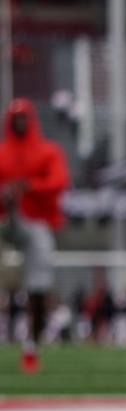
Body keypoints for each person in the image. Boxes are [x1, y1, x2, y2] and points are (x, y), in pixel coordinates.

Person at [0, 99, 68, 374]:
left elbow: (59, 181)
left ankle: (31, 346)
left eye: (23, 118)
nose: (20, 123)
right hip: (5, 219)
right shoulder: (2, 152)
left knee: (39, 276)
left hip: (34, 223)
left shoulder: (47, 151)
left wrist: (29, 186)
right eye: (15, 118)